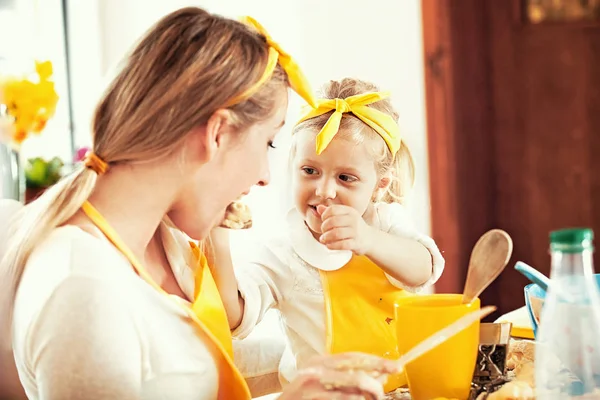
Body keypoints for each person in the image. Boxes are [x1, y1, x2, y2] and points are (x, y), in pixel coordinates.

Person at [0, 8, 399, 400]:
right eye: (268, 142)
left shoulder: (164, 242)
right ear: (218, 132)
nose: (265, 175)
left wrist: (316, 360)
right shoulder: (83, 287)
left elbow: (190, 370)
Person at [214, 78, 446, 393]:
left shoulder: (386, 223)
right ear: (292, 168)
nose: (324, 191)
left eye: (346, 178)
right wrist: (218, 236)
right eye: (310, 171)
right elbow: (233, 319)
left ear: (379, 185)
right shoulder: (283, 253)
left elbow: (424, 270)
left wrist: (368, 240)